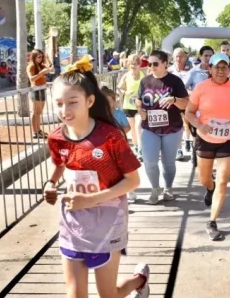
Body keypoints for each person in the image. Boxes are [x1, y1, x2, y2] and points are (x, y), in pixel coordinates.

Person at [42, 55, 150, 298]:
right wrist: (50, 183)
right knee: (75, 294)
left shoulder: (110, 137)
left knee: (108, 294)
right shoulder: (56, 137)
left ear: (89, 100)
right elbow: (59, 163)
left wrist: (91, 199)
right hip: (73, 221)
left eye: (72, 102)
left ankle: (139, 281)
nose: (64, 110)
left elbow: (133, 181)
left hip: (108, 220)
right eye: (58, 104)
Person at [185, 52, 230, 241]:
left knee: (223, 181)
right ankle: (209, 188)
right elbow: (189, 113)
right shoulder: (201, 88)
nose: (221, 71)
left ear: (229, 69)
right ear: (210, 69)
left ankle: (212, 221)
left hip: (228, 139)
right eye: (217, 67)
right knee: (204, 179)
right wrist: (199, 125)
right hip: (205, 139)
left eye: (224, 67)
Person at [136, 50, 189, 205]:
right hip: (149, 128)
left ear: (165, 63)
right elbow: (139, 100)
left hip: (171, 129)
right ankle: (155, 189)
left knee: (168, 162)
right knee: (149, 161)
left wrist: (174, 100)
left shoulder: (175, 81)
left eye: (155, 64)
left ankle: (168, 188)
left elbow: (186, 103)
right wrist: (140, 110)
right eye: (149, 64)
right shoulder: (145, 81)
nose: (151, 67)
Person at [169, 48, 193, 160]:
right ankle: (179, 149)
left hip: (187, 100)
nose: (179, 59)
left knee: (187, 123)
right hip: (174, 101)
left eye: (181, 56)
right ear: (173, 58)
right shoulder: (169, 71)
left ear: (185, 57)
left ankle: (188, 140)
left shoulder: (191, 70)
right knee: (176, 125)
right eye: (177, 56)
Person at [117, 55, 143, 158]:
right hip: (128, 106)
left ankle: (141, 149)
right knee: (132, 128)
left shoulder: (143, 76)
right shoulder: (126, 76)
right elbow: (119, 88)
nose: (133, 66)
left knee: (138, 125)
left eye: (136, 64)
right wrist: (126, 92)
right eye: (132, 64)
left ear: (139, 65)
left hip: (139, 106)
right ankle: (136, 146)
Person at [27, 50, 53, 138]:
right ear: (34, 57)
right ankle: (35, 132)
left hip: (41, 89)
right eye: (39, 57)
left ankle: (38, 130)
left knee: (39, 112)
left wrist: (49, 63)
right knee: (35, 112)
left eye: (41, 56)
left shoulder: (40, 65)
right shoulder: (31, 66)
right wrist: (41, 73)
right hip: (36, 90)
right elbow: (32, 79)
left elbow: (50, 69)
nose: (40, 58)